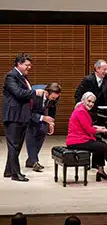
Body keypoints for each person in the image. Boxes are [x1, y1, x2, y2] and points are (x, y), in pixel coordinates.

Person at [2, 53, 46, 182]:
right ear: (19, 64)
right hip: (14, 117)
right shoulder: (11, 76)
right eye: (27, 65)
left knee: (16, 145)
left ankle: (9, 170)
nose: (29, 67)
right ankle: (16, 174)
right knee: (14, 145)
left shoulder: (21, 76)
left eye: (30, 65)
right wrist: (35, 92)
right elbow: (18, 93)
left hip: (21, 116)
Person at [66, 92, 107, 182]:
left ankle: (100, 171)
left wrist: (98, 127)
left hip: (79, 138)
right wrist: (103, 130)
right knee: (104, 147)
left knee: (99, 142)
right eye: (89, 101)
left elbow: (86, 126)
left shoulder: (81, 109)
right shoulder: (81, 111)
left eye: (93, 102)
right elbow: (89, 130)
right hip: (77, 141)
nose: (91, 104)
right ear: (83, 100)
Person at [25, 83, 62, 172]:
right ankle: (34, 162)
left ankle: (31, 160)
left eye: (56, 98)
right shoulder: (34, 95)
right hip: (28, 115)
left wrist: (51, 123)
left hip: (41, 114)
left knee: (42, 132)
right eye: (53, 98)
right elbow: (27, 112)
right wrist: (43, 118)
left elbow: (52, 108)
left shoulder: (54, 97)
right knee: (31, 137)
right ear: (46, 93)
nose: (54, 99)